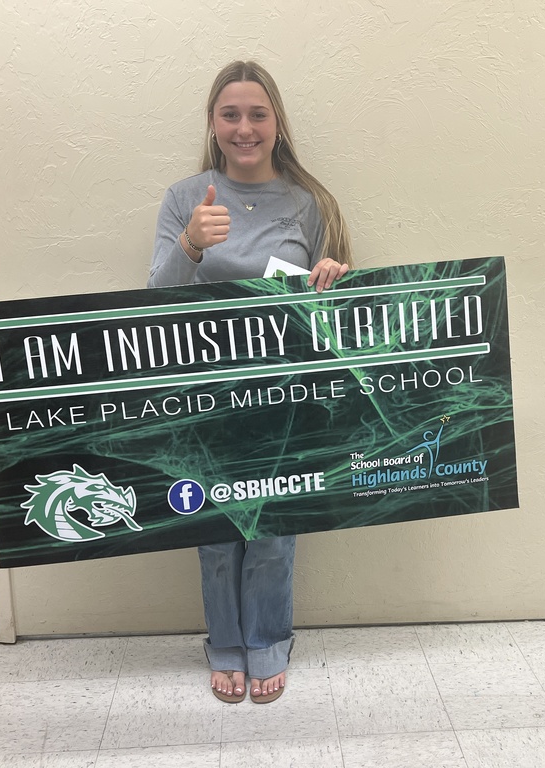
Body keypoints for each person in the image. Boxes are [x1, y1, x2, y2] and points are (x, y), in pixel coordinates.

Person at [147, 60, 353, 703]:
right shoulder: (186, 198)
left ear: (277, 123)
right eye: (230, 114)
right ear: (212, 123)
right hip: (204, 397)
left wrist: (332, 279)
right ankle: (225, 643)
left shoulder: (309, 202)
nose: (244, 127)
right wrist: (189, 246)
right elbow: (152, 303)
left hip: (284, 397)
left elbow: (340, 318)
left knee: (272, 527)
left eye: (257, 114)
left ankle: (267, 639)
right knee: (213, 528)